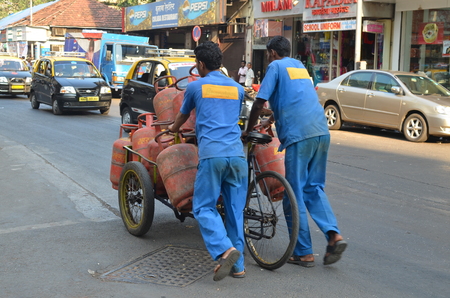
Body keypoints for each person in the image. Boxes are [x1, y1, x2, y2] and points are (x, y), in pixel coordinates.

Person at [242, 35, 347, 268]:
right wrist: (271, 121)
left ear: (271, 52)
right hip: (321, 132)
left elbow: (259, 103)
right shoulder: (299, 67)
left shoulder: (275, 66)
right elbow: (295, 100)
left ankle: (303, 252)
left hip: (300, 137)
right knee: (314, 188)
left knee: (292, 193)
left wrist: (248, 129)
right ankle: (333, 235)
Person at [168, 41, 247, 281]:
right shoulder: (237, 88)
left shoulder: (195, 87)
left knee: (203, 207)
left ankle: (225, 250)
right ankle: (239, 266)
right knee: (235, 211)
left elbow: (183, 115)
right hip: (237, 155)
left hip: (213, 156)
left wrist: (173, 128)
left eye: (196, 62)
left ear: (201, 64)